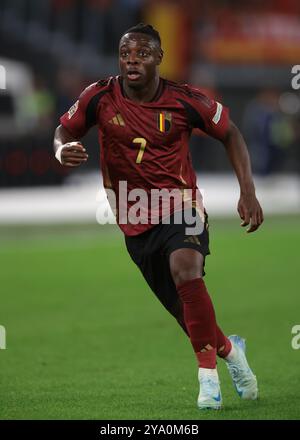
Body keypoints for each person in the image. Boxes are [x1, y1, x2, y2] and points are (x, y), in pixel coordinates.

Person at [53, 23, 264, 410]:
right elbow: (63, 131)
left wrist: (247, 191)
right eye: (125, 54)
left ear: (159, 58)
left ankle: (208, 381)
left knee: (187, 269)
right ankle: (231, 352)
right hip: (133, 216)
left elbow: (231, 133)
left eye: (142, 54)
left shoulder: (185, 101)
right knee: (187, 315)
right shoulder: (98, 96)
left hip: (181, 204)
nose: (132, 60)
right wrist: (59, 151)